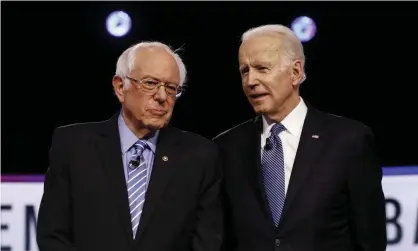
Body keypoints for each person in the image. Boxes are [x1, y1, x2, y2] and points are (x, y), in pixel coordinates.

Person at [214, 24, 387, 251]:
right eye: (244, 71)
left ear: (295, 73)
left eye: (262, 68)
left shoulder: (349, 141)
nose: (250, 81)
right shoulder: (226, 147)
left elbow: (370, 239)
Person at [37, 41, 223, 251]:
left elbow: (207, 242)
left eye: (171, 88)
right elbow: (52, 235)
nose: (162, 97)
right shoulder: (73, 145)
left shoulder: (199, 155)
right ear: (120, 87)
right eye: (150, 83)